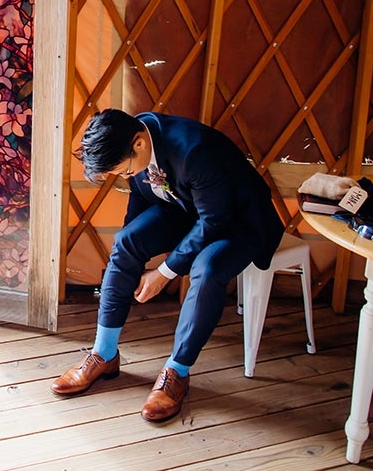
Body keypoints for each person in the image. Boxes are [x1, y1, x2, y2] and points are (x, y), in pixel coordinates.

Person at [51, 109, 284, 422]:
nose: (125, 176)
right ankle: (104, 354)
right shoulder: (133, 140)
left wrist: (164, 273)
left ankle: (177, 370)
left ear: (138, 145)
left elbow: (214, 221)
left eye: (123, 171)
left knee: (207, 269)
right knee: (126, 242)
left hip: (237, 222)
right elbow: (141, 199)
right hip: (185, 210)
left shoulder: (193, 150)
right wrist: (131, 251)